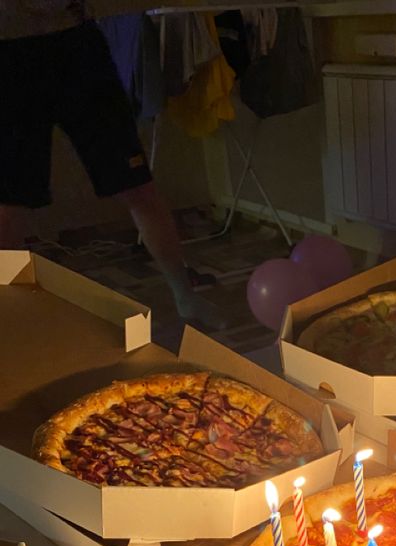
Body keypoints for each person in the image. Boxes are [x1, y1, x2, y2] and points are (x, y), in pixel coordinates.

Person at [0, 1, 227, 331]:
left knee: (138, 184)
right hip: (8, 54)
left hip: (76, 43)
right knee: (9, 205)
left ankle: (185, 297)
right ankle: (10, 321)